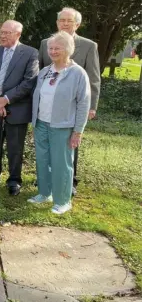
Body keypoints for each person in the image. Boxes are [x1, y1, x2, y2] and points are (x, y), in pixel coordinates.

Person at [38, 7, 100, 195]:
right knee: (47, 145)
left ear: (77, 24)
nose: (64, 24)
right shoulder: (44, 44)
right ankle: (46, 181)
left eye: (69, 21)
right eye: (61, 21)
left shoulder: (89, 46)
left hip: (73, 107)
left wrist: (91, 106)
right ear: (57, 23)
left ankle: (69, 182)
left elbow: (94, 78)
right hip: (47, 109)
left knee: (70, 144)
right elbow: (41, 73)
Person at [29, 31, 90, 215]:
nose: (53, 51)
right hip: (41, 123)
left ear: (68, 50)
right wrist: (34, 122)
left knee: (62, 163)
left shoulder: (77, 73)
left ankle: (63, 200)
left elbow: (84, 103)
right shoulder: (45, 71)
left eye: (58, 48)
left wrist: (78, 131)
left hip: (63, 126)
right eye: (51, 48)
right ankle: (44, 193)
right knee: (42, 160)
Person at [0, 20, 39, 196]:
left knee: (15, 147)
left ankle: (14, 180)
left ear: (18, 34)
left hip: (17, 109)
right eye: (1, 32)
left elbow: (29, 81)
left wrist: (5, 100)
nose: (2, 35)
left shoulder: (30, 53)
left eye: (7, 32)